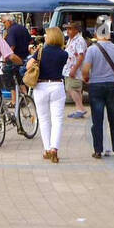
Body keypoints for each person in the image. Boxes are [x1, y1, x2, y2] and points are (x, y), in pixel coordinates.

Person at [81, 19, 114, 159]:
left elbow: (85, 70)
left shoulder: (92, 49)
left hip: (96, 86)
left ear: (96, 33)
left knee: (97, 120)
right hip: (112, 86)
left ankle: (98, 150)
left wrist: (87, 78)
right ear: (109, 33)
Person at [32, 26, 70, 162]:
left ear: (50, 37)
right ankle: (55, 148)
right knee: (57, 119)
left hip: (41, 86)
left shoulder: (40, 51)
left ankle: (47, 149)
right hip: (57, 85)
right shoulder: (64, 54)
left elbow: (29, 65)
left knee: (43, 119)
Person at [3, 14, 31, 105]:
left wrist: (5, 58)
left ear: (9, 21)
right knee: (21, 79)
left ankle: (14, 101)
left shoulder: (11, 30)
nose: (4, 24)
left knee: (12, 80)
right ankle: (26, 99)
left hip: (14, 58)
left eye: (4, 22)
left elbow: (11, 46)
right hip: (24, 57)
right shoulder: (23, 28)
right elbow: (30, 41)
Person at [64, 20, 88, 118]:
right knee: (76, 90)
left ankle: (81, 108)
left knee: (71, 88)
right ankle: (79, 109)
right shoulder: (71, 39)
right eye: (67, 29)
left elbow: (81, 56)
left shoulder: (79, 40)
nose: (68, 31)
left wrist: (74, 69)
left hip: (74, 70)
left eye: (70, 29)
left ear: (76, 30)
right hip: (69, 68)